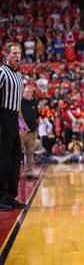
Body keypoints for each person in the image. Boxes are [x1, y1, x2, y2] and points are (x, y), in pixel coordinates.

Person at [0, 42, 27, 211]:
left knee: (16, 157)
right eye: (14, 53)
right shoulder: (2, 72)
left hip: (13, 117)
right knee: (3, 158)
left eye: (19, 53)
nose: (17, 56)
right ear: (6, 55)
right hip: (3, 117)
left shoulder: (18, 75)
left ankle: (10, 195)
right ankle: (0, 197)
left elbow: (17, 103)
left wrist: (21, 121)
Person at [21, 85, 40, 180]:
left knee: (30, 153)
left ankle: (29, 172)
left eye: (30, 92)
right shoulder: (19, 102)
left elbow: (37, 116)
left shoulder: (34, 102)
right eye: (27, 92)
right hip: (21, 132)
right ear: (23, 92)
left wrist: (36, 127)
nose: (29, 94)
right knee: (17, 153)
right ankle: (16, 173)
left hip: (32, 132)